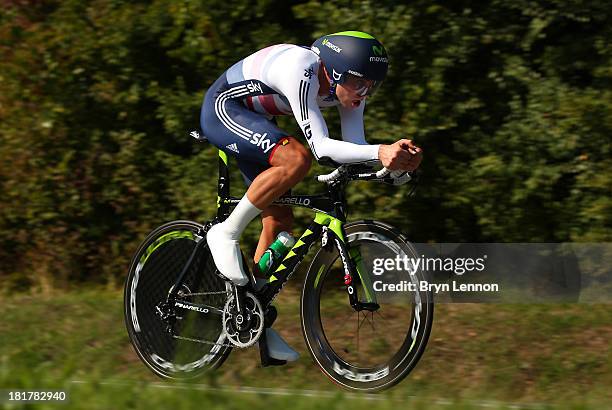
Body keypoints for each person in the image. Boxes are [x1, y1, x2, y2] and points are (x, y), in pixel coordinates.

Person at [200, 31, 422, 363]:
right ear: (334, 72)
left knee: (278, 222)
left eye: (373, 85)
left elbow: (353, 148)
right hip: (224, 108)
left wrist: (394, 166)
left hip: (259, 120)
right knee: (297, 158)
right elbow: (320, 147)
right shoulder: (300, 68)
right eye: (361, 83)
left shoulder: (348, 90)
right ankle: (225, 232)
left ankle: (252, 317)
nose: (366, 92)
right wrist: (381, 151)